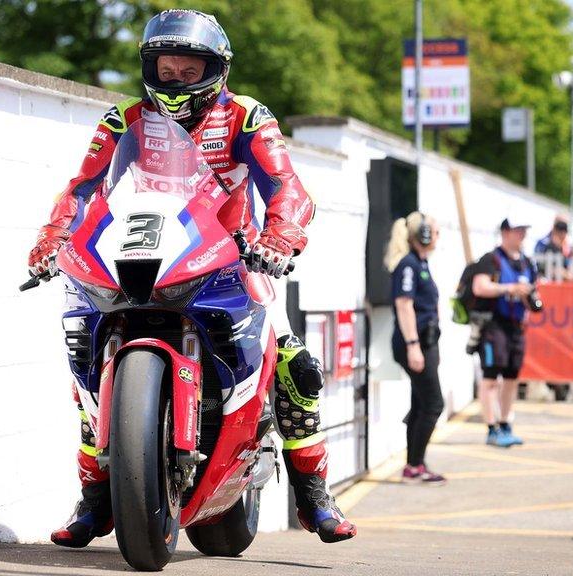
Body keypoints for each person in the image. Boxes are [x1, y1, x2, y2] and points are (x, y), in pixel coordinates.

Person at [26, 9, 355, 547]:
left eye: (189, 68)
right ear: (149, 67)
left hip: (235, 260)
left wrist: (278, 237)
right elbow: (81, 188)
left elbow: (287, 187)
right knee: (88, 363)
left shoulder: (247, 116)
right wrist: (52, 238)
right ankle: (95, 497)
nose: (176, 79)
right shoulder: (122, 119)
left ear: (216, 69)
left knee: (296, 363)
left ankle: (313, 491)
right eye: (166, 67)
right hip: (142, 255)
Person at [386, 212, 447, 485]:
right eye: (433, 231)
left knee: (421, 402)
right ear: (422, 234)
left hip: (426, 342)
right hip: (416, 342)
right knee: (434, 404)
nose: (437, 236)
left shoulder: (420, 263)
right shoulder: (408, 265)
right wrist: (413, 346)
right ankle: (415, 465)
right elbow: (404, 305)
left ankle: (413, 466)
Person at [472, 219, 539, 448]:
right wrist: (509, 289)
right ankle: (492, 429)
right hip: (494, 326)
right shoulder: (491, 260)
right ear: (505, 232)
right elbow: (479, 287)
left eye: (524, 230)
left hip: (517, 326)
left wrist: (529, 298)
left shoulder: (528, 263)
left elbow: (534, 295)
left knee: (511, 378)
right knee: (491, 378)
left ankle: (505, 423)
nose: (522, 235)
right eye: (518, 230)